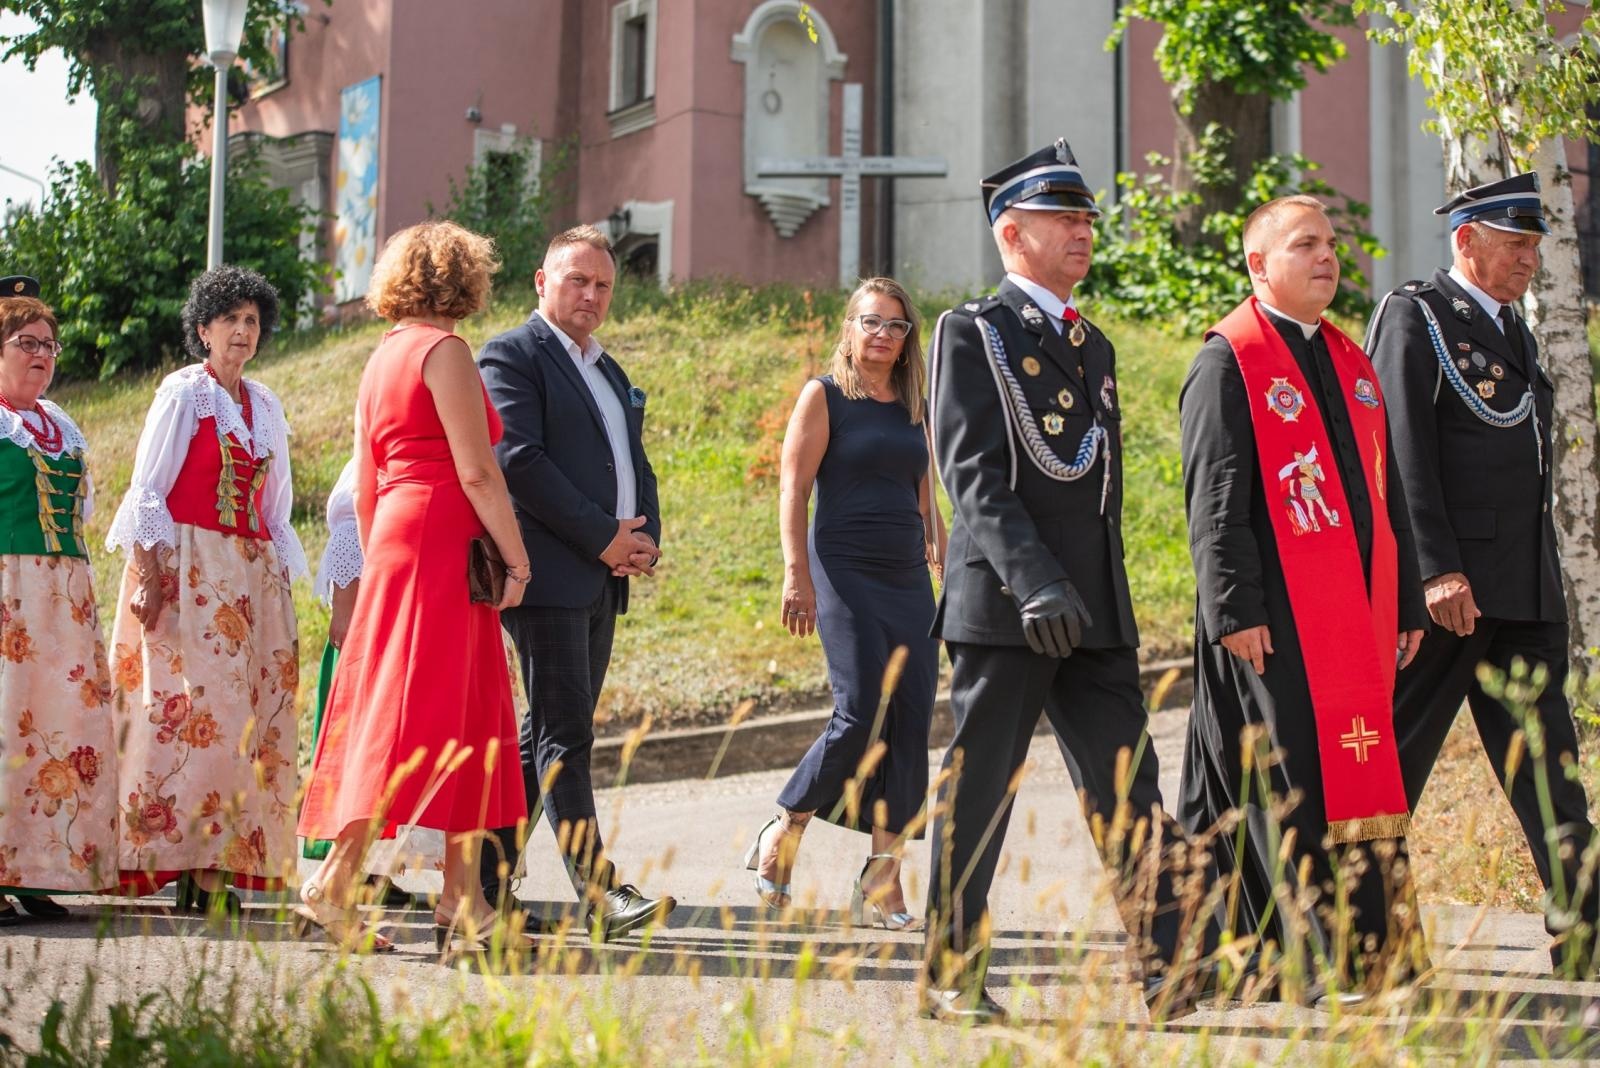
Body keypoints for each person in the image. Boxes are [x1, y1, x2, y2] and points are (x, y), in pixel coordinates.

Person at [920, 141, 1204, 1024]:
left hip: (1093, 606)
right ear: (1013, 233)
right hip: (1013, 601)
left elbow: (1100, 489)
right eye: (1064, 218)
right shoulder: (972, 331)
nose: (1084, 231)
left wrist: (1095, 593)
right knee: (981, 788)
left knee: (1130, 784)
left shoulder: (1094, 342)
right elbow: (969, 470)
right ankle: (948, 973)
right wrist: (1035, 581)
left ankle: (1168, 967)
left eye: (1086, 217)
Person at [1177, 195, 1428, 999]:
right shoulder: (1230, 359)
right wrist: (1234, 608)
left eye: (1330, 244)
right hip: (1274, 618)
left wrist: (1407, 604)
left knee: (1352, 773)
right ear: (1259, 265)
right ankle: (1321, 960)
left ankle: (1374, 951)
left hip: (1355, 613)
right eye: (1305, 244)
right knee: (1289, 785)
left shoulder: (1350, 363)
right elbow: (1214, 496)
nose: (1327, 256)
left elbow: (1384, 500)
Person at [1366, 172, 1599, 978]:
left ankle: (1586, 926)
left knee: (1548, 762)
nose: (1532, 259)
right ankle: (1372, 934)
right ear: (1466, 240)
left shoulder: (1516, 331)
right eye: (1516, 243)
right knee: (1395, 760)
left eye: (1536, 244)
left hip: (1522, 588)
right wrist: (1433, 569)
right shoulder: (1417, 314)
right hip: (1451, 592)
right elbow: (1402, 452)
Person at [296, 221, 530, 953]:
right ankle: (335, 884)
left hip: (399, 535)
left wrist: (383, 560)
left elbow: (364, 492)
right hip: (441, 535)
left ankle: (465, 902)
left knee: (462, 710)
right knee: (423, 716)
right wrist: (516, 560)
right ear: (464, 279)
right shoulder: (446, 350)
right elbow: (478, 470)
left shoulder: (383, 358)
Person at [478, 224, 673, 942]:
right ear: (541, 281)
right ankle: (600, 893)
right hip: (549, 574)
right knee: (568, 732)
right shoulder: (511, 354)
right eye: (576, 281)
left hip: (601, 576)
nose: (591, 296)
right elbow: (519, 460)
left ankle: (484, 883)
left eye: (602, 286)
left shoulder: (608, 368)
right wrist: (601, 536)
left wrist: (643, 538)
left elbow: (633, 457)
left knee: (544, 736)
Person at [745, 277, 945, 930]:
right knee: (859, 710)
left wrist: (937, 542)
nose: (884, 334)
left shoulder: (916, 400)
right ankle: (787, 828)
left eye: (896, 325)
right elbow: (793, 488)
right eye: (872, 321)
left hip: (907, 574)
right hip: (843, 568)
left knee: (911, 717)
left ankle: (882, 881)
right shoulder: (824, 395)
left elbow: (924, 486)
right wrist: (794, 573)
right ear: (849, 328)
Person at [107, 266, 306, 913]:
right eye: (231, 321)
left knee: (247, 722)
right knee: (195, 719)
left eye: (252, 322)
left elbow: (275, 508)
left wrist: (277, 579)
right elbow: (148, 489)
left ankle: (218, 864)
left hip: (249, 574)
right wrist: (152, 575)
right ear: (203, 329)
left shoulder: (266, 404)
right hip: (189, 566)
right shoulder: (184, 393)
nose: (243, 332)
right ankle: (187, 859)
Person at [0, 277, 118, 924]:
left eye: (50, 344)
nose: (42, 354)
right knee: (3, 726)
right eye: (26, 343)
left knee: (53, 733)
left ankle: (34, 867)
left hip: (64, 597)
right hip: (8, 593)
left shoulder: (61, 427)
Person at [300, 457, 437, 907]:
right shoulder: (374, 461)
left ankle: (373, 870)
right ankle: (344, 871)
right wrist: (345, 613)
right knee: (363, 744)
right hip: (368, 624)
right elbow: (346, 531)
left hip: (401, 618)